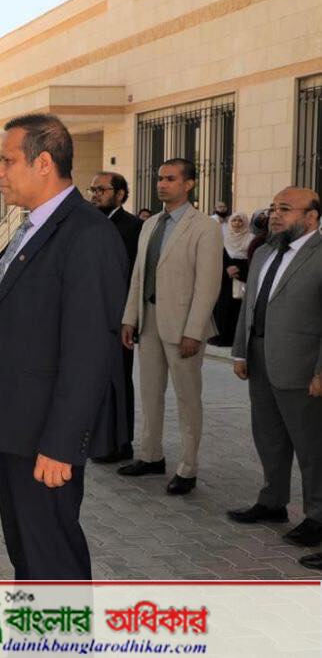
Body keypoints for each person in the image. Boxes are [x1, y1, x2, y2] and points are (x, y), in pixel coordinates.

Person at [0, 113, 127, 580]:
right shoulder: (35, 226)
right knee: (27, 551)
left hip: (45, 435)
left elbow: (89, 353)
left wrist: (61, 444)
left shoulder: (87, 234)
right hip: (15, 425)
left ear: (43, 163)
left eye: (7, 160)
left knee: (51, 557)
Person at [228, 188, 322, 567]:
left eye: (285, 209)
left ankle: (317, 517)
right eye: (273, 208)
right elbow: (249, 307)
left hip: (303, 368)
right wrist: (239, 351)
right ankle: (272, 501)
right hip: (260, 359)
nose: (275, 215)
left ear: (311, 217)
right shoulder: (264, 252)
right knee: (268, 436)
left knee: (312, 447)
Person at [119, 159, 223, 495]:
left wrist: (194, 330)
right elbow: (138, 274)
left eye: (170, 179)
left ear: (189, 184)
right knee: (150, 394)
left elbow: (208, 285)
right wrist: (130, 318)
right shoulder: (150, 224)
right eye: (160, 178)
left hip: (184, 328)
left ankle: (188, 468)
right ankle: (151, 456)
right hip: (148, 320)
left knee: (187, 399)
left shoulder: (204, 227)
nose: (162, 184)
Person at [87, 171, 143, 464]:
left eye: (102, 190)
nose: (95, 195)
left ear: (120, 194)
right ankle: (99, 438)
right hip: (90, 317)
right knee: (94, 379)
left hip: (119, 320)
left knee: (118, 380)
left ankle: (121, 443)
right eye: (93, 189)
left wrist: (130, 319)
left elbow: (137, 276)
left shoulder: (134, 227)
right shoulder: (87, 223)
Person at [210, 211, 250, 347]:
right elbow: (216, 259)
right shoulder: (223, 238)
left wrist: (240, 270)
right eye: (234, 220)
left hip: (242, 280)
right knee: (222, 309)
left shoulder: (250, 239)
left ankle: (236, 340)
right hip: (224, 281)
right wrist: (226, 270)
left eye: (240, 220)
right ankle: (220, 337)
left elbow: (254, 261)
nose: (237, 223)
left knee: (237, 310)